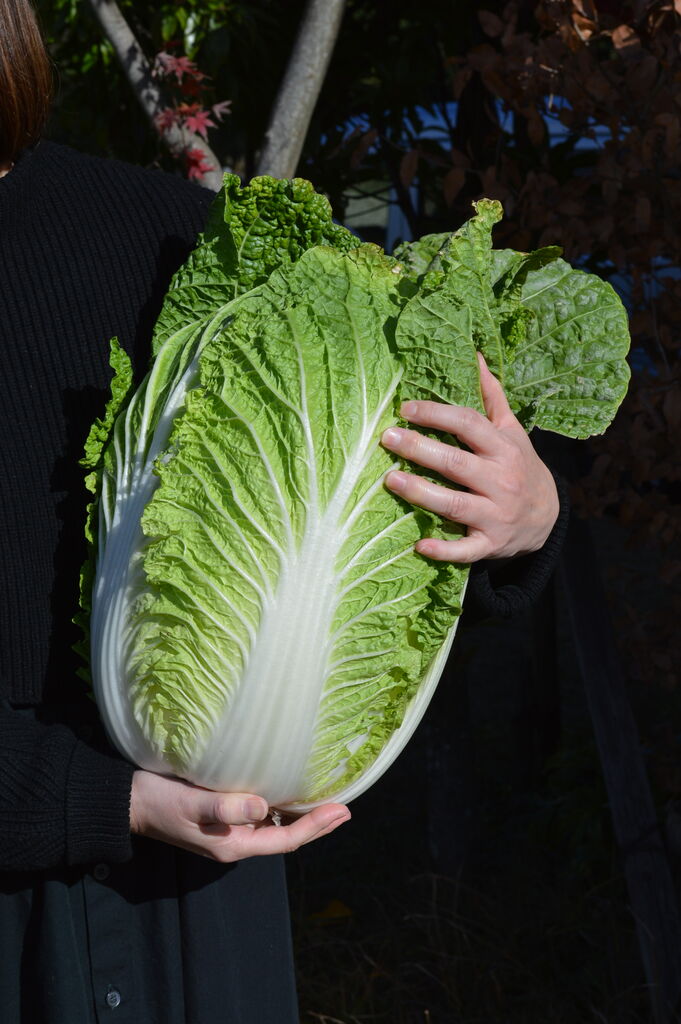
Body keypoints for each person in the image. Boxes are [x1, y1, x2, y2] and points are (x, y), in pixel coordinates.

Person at [0, 2, 567, 1021]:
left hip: (196, 925)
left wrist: (516, 523)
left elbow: (361, 527)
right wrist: (100, 799)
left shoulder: (171, 239)